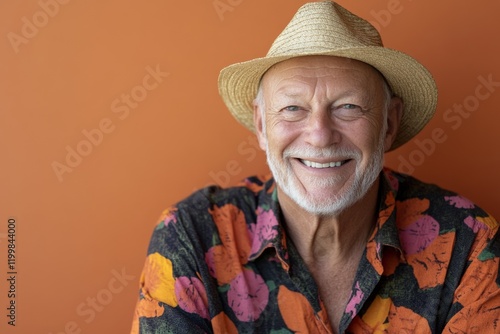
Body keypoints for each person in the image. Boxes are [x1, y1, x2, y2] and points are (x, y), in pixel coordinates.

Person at [131, 1, 500, 333]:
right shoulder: (191, 237)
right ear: (261, 125)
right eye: (293, 108)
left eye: (348, 107)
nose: (320, 135)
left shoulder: (468, 243)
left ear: (388, 124)